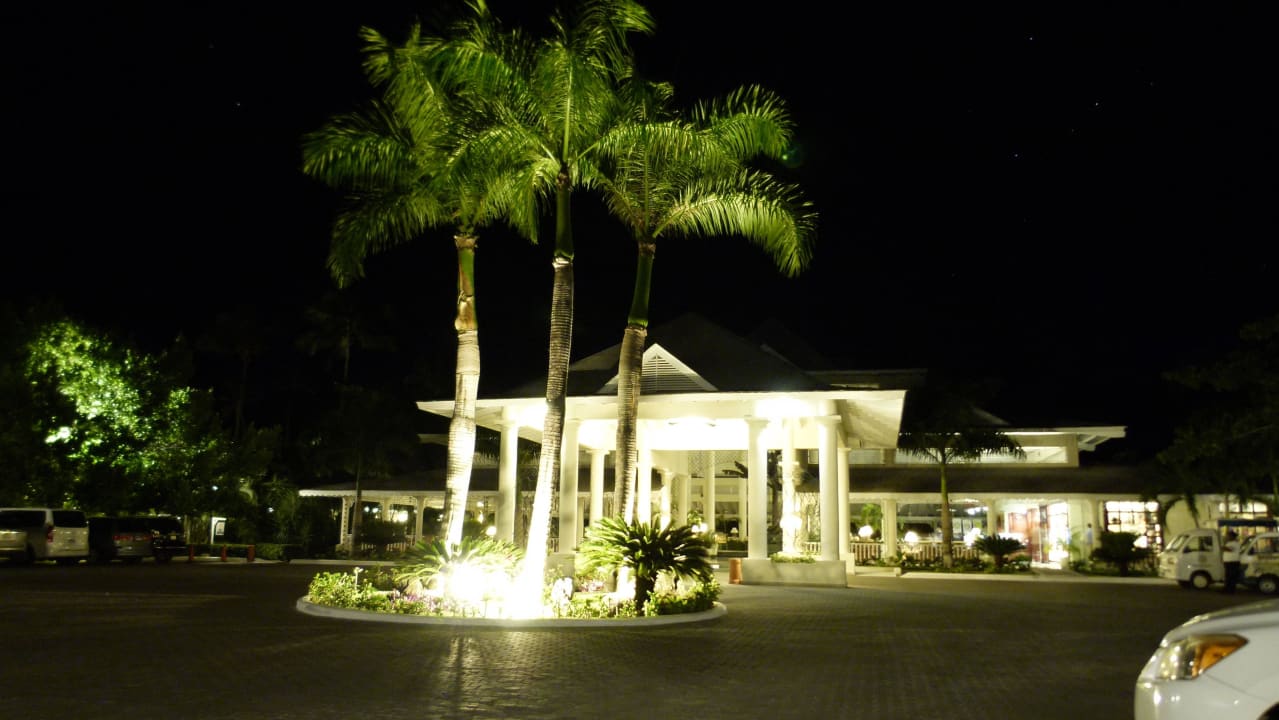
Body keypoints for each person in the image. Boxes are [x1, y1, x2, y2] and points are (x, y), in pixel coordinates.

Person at [1222, 530, 1242, 594]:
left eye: (1228, 536)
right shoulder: (1229, 543)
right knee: (1228, 576)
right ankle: (1227, 589)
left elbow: (1229, 549)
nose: (1227, 537)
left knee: (1231, 577)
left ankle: (1230, 590)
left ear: (1232, 536)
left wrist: (1223, 546)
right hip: (1229, 562)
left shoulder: (1235, 543)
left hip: (1233, 562)